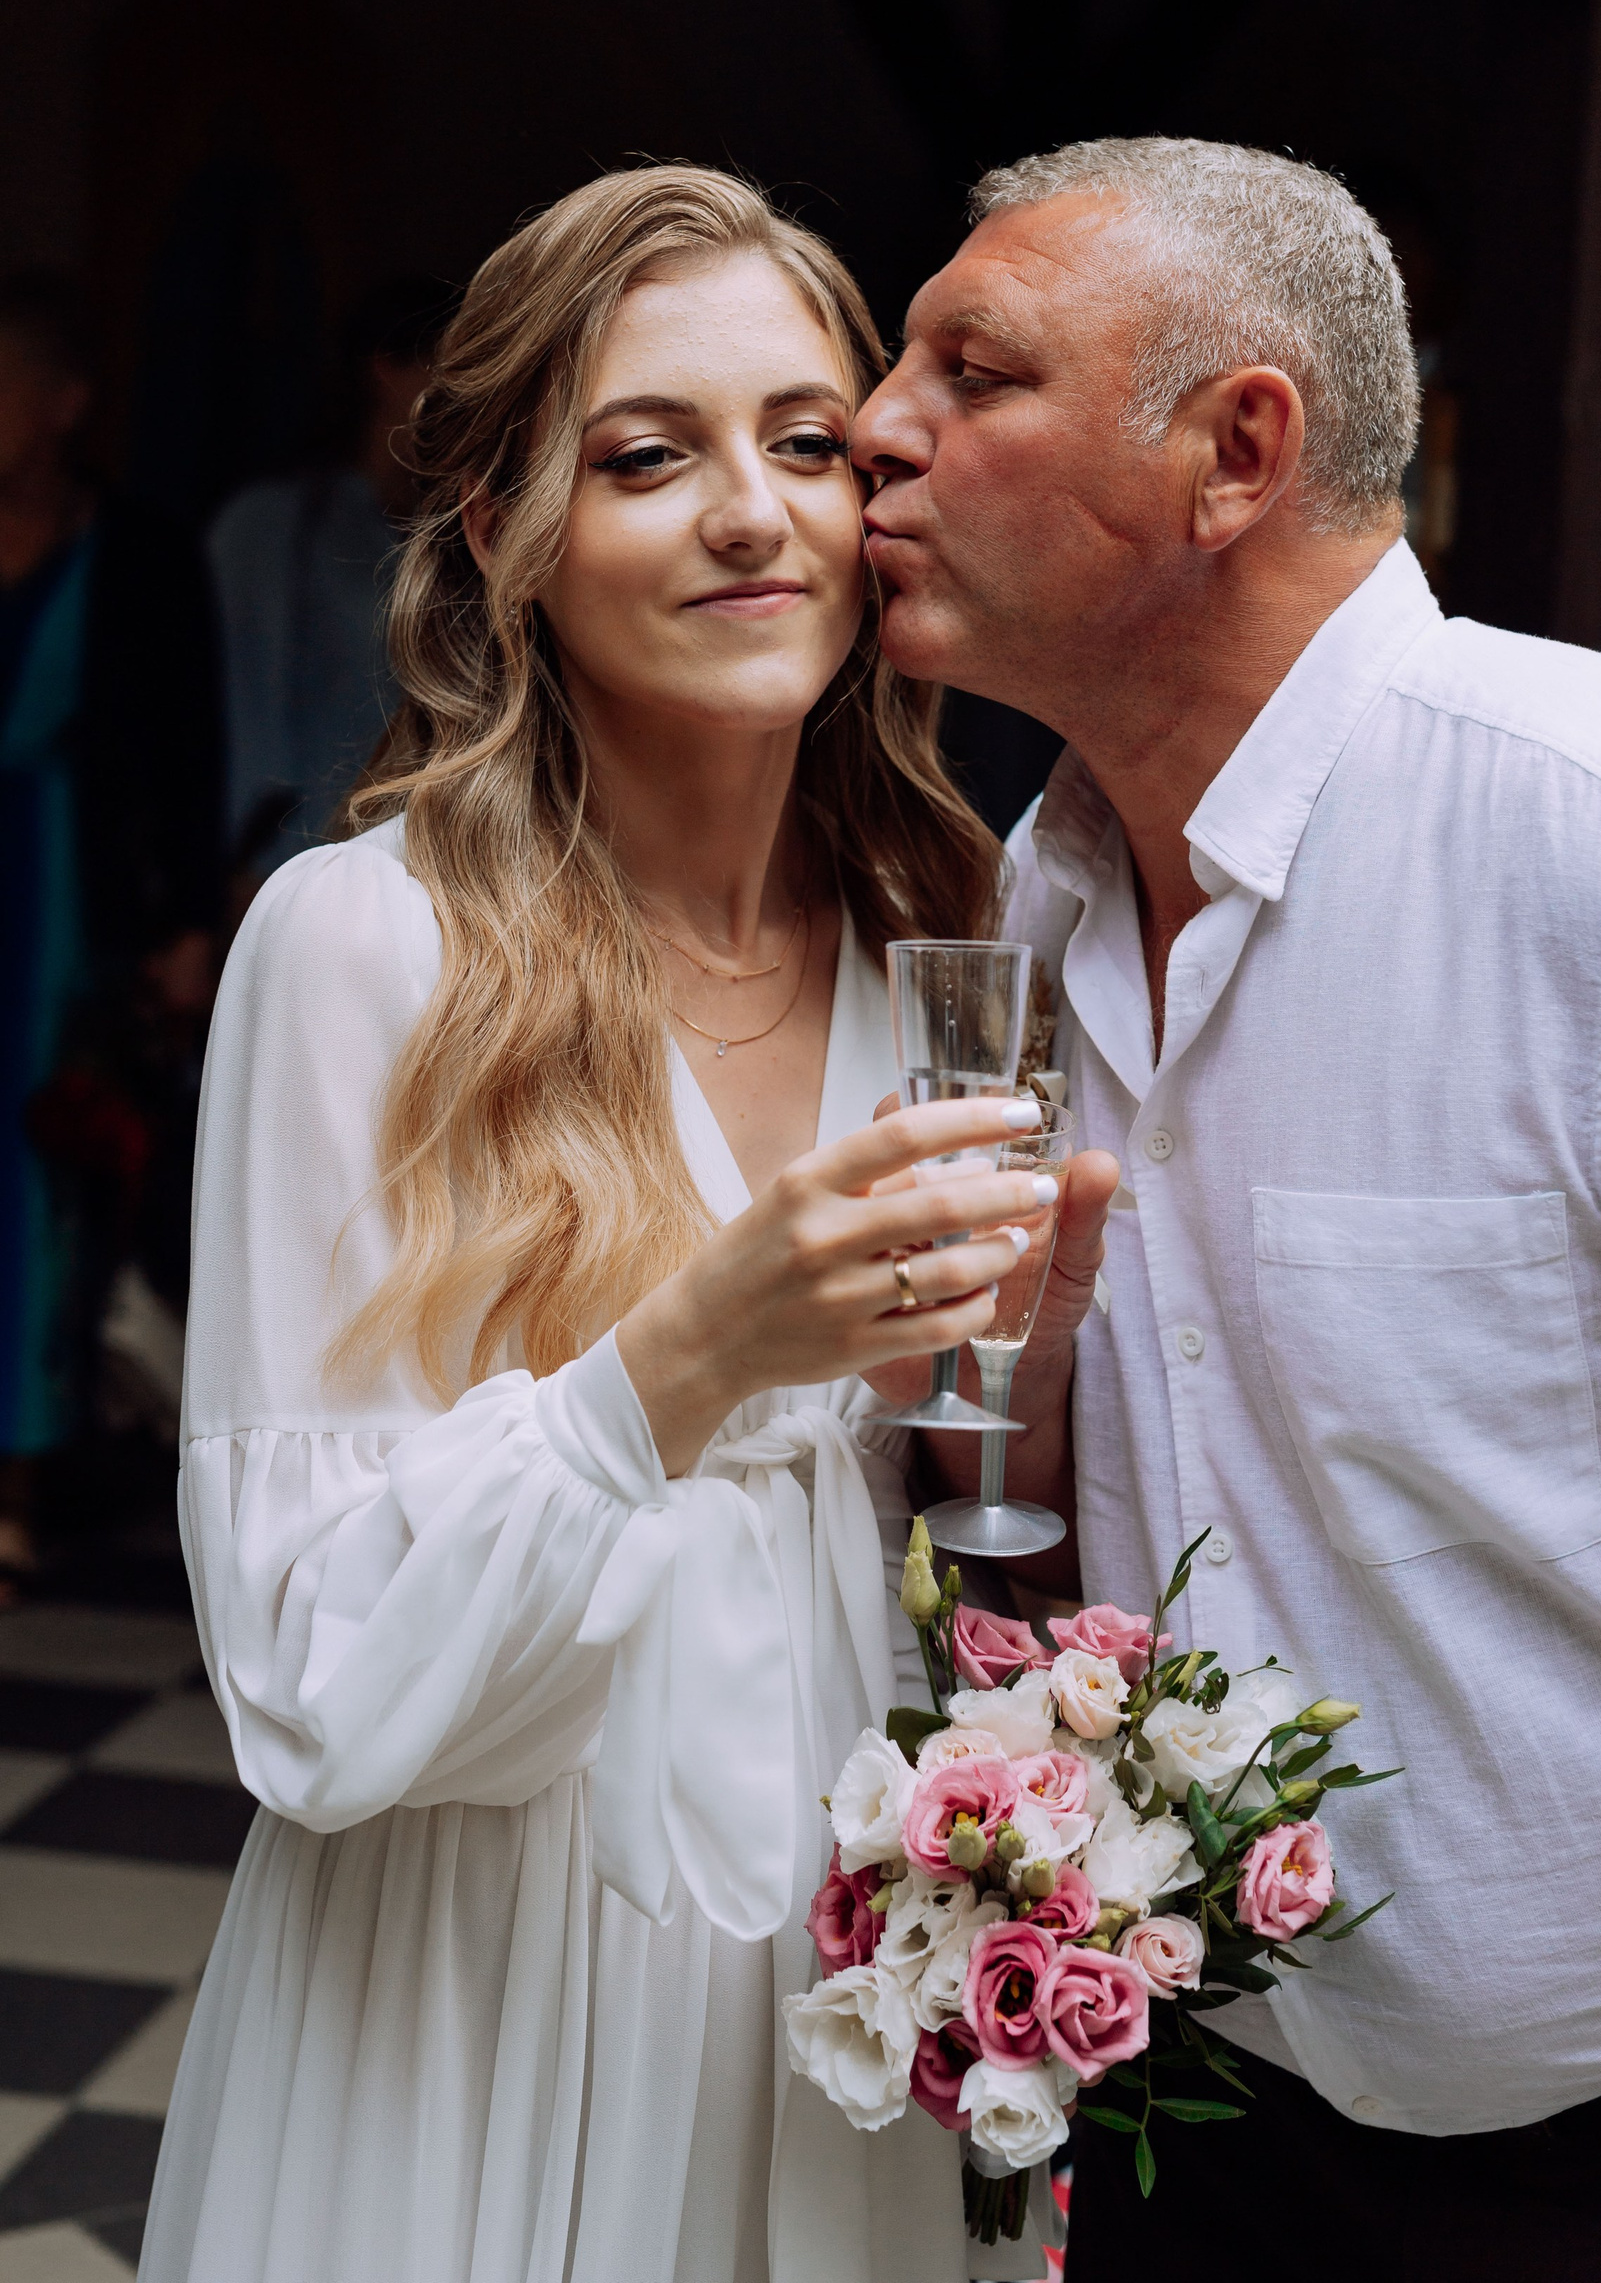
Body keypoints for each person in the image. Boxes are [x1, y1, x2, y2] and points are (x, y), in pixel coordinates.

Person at [851, 134, 1601, 2283]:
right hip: (1223, 2138)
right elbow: (1060, 1539)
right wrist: (1001, 1411)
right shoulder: (1028, 911)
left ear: (1235, 454)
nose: (877, 427)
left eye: (976, 371)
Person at [141, 164, 1110, 2283]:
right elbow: (306, 1683)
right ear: (505, 531)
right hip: (483, 1975)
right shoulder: (364, 948)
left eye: (809, 444)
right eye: (649, 457)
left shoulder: (950, 941)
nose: (754, 515)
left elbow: (948, 1521)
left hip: (840, 1963)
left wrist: (1014, 1379)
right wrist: (687, 1355)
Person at [0, 271, 222, 1597]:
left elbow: (189, 752)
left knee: (43, 1180)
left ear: (64, 403)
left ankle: (17, 1481)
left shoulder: (138, 551)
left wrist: (188, 920)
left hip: (59, 903)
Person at [207, 276, 450, 876]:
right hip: (293, 864)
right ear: (387, 368)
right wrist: (249, 864)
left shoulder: (462, 535)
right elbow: (245, 716)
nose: (471, 392)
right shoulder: (271, 528)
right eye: (452, 366)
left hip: (432, 868)